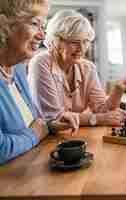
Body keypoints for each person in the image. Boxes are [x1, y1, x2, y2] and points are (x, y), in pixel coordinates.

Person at [28, 10, 126, 127]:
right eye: (74, 42)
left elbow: (103, 110)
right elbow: (54, 118)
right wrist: (96, 119)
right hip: (43, 139)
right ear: (55, 40)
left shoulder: (88, 68)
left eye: (85, 42)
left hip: (74, 135)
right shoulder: (40, 63)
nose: (81, 49)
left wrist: (119, 88)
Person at [0, 0, 78, 164]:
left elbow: (35, 123)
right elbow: (2, 148)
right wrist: (37, 133)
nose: (42, 35)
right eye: (35, 24)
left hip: (30, 171)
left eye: (42, 26)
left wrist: (50, 126)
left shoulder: (18, 68)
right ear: (4, 25)